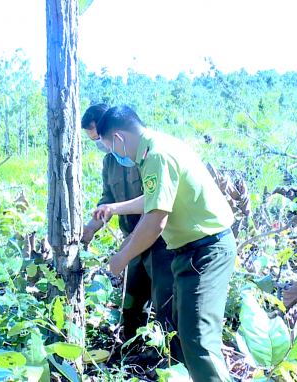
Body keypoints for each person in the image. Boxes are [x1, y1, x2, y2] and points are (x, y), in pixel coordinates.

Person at [92, 106, 235, 382]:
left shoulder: (156, 155)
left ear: (119, 139)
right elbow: (154, 198)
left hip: (207, 251)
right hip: (190, 252)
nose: (113, 156)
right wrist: (115, 208)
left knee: (198, 341)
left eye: (110, 148)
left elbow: (155, 221)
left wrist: (122, 259)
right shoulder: (153, 150)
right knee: (182, 332)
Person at [81, 104, 179, 350]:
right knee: (132, 301)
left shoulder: (142, 156)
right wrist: (90, 228)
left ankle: (170, 358)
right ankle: (135, 349)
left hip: (159, 240)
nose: (101, 146)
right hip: (132, 241)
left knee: (165, 301)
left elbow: (154, 207)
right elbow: (107, 202)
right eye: (95, 141)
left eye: (101, 139)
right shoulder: (110, 163)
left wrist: (124, 251)